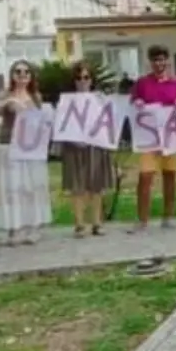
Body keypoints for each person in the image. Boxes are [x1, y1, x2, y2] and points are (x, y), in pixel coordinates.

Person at [0, 59, 50, 245]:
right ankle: (14, 228)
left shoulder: (35, 96)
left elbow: (42, 120)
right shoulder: (5, 94)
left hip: (31, 148)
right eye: (18, 72)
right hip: (9, 144)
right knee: (11, 188)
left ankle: (33, 226)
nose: (22, 75)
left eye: (26, 72)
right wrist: (6, 103)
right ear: (12, 75)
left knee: (31, 187)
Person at [129, 44, 176, 231]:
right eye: (155, 60)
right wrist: (137, 102)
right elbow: (132, 104)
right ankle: (142, 219)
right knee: (145, 176)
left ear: (167, 61)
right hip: (150, 138)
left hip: (170, 138)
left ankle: (168, 216)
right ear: (150, 62)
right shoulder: (142, 83)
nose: (159, 63)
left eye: (162, 59)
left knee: (170, 175)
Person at [56, 60, 116, 237]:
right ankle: (79, 224)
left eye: (86, 77)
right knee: (77, 185)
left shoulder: (100, 99)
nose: (82, 81)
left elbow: (110, 120)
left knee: (96, 185)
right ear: (73, 80)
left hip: (95, 146)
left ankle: (97, 222)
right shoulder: (67, 101)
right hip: (73, 147)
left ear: (92, 79)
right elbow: (62, 123)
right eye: (78, 77)